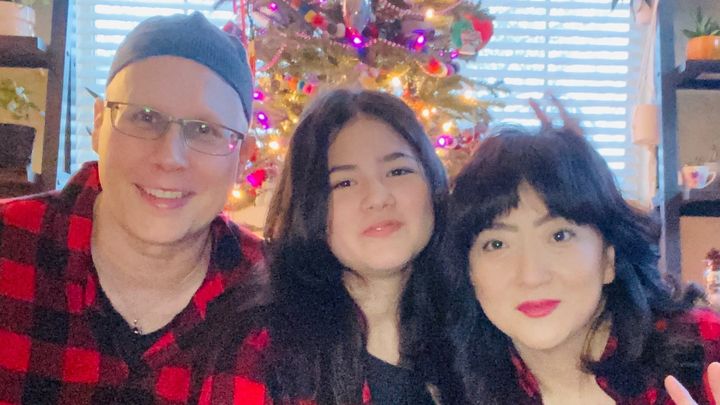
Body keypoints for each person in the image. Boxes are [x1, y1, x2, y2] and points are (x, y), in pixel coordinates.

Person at [0, 12, 269, 404]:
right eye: (145, 117)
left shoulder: (284, 303)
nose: (169, 157)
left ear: (243, 158)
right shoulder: (8, 248)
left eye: (204, 130)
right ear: (99, 125)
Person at [443, 123, 720, 404]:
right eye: (497, 244)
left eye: (559, 236)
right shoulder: (449, 389)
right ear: (469, 272)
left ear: (608, 258)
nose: (531, 276)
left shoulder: (705, 357)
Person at [261, 88, 458, 404]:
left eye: (398, 171)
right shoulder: (263, 350)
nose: (378, 197)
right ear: (309, 206)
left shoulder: (482, 326)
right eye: (344, 183)